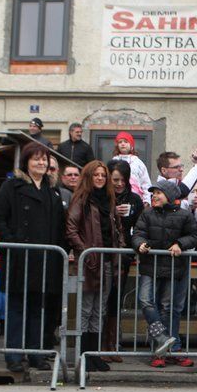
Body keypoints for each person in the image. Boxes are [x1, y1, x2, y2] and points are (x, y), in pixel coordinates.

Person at [0, 142, 68, 372]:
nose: (41, 163)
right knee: (17, 309)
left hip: (45, 259)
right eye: (36, 159)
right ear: (26, 162)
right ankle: (14, 356)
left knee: (38, 309)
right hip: (20, 258)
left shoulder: (52, 190)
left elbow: (60, 226)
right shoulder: (12, 186)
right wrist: (12, 243)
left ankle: (36, 354)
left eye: (44, 159)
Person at [131, 181, 197, 366]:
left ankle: (165, 352)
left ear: (169, 196)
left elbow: (194, 236)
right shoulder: (147, 213)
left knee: (167, 308)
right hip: (150, 266)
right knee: (145, 300)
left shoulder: (184, 215)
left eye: (158, 193)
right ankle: (162, 339)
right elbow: (137, 233)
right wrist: (140, 244)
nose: (154, 196)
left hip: (173, 267)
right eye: (153, 193)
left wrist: (180, 244)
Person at [66, 160, 124, 375]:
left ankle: (94, 354)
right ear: (89, 176)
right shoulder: (81, 199)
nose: (100, 178)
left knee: (100, 309)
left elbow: (118, 230)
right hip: (89, 262)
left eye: (103, 175)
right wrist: (85, 252)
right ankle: (83, 355)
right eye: (96, 175)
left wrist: (120, 250)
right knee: (86, 309)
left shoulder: (109, 200)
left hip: (108, 261)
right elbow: (71, 229)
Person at [101, 158, 143, 362]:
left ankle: (112, 344)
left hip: (123, 255)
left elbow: (139, 226)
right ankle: (101, 344)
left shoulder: (134, 199)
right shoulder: (102, 196)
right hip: (103, 253)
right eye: (115, 179)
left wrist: (135, 247)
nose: (119, 184)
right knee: (101, 299)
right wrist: (111, 212)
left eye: (122, 180)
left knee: (115, 299)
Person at [112, 132, 152, 201]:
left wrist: (147, 199)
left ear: (131, 145)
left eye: (126, 142)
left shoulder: (137, 162)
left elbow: (145, 182)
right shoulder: (114, 161)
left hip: (135, 198)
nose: (123, 144)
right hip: (117, 197)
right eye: (120, 142)